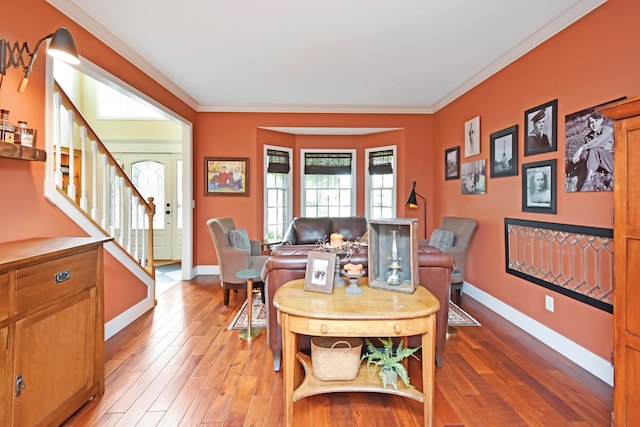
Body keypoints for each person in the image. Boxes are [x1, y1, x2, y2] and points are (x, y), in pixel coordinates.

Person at [570, 111, 614, 190]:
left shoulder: (608, 130)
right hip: (600, 165)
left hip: (613, 161)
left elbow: (599, 141)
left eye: (596, 121)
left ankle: (588, 182)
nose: (594, 124)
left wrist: (582, 148)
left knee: (594, 150)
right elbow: (589, 156)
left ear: (601, 120)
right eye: (591, 122)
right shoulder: (588, 137)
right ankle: (582, 180)